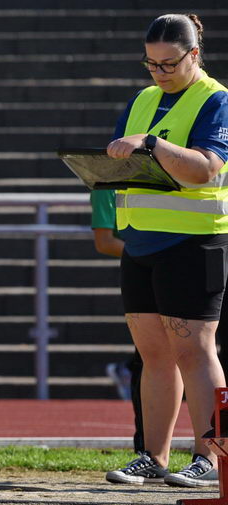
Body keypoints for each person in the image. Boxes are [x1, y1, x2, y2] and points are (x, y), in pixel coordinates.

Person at [104, 13, 228, 488]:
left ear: (194, 54)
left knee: (195, 352)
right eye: (151, 64)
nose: (159, 72)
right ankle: (152, 456)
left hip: (193, 242)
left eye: (169, 63)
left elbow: (205, 170)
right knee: (153, 355)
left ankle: (211, 456)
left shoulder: (215, 99)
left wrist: (152, 143)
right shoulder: (144, 98)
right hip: (142, 239)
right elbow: (121, 153)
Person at [92, 189, 146, 456]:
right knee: (149, 360)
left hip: (186, 266)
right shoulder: (106, 186)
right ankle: (148, 449)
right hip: (146, 273)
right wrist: (148, 254)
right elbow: (104, 241)